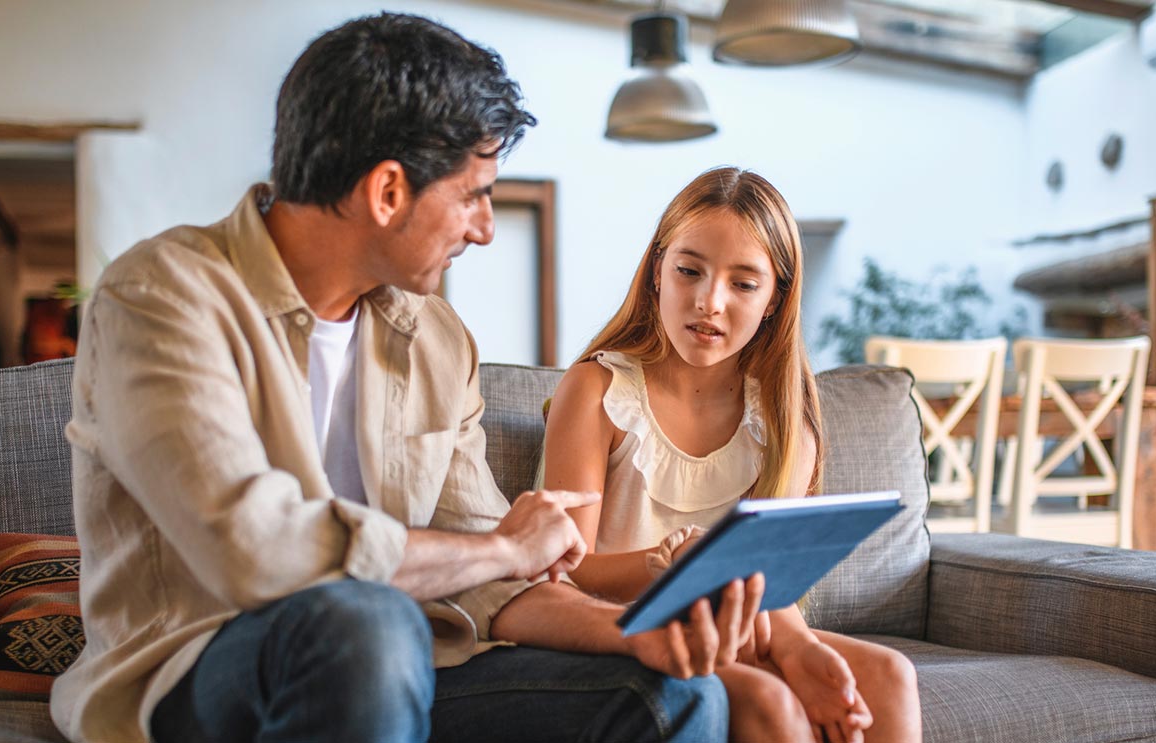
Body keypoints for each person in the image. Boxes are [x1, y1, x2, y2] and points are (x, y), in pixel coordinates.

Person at [50, 14, 753, 743]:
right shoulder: (162, 296)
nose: (483, 226)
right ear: (388, 191)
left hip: (403, 663)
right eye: (472, 193)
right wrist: (505, 548)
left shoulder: (438, 341)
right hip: (194, 672)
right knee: (365, 620)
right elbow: (257, 553)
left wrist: (631, 631)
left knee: (677, 692)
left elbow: (489, 577)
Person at [541, 168, 923, 743]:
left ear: (775, 299)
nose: (708, 302)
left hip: (736, 627)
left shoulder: (782, 420)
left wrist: (793, 643)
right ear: (656, 274)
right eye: (688, 271)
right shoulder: (596, 390)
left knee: (891, 674)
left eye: (744, 284)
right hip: (621, 629)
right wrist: (669, 568)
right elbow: (566, 570)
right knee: (770, 703)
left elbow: (773, 584)